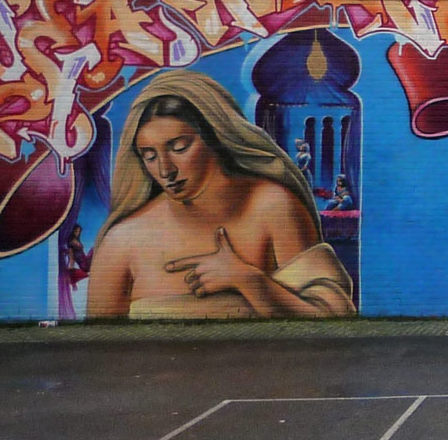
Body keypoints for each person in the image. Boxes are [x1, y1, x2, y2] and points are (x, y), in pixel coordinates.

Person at [85, 70, 356, 320]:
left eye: (179, 147)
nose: (165, 170)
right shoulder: (121, 242)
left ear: (214, 137)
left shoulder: (274, 208)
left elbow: (332, 319)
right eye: (150, 155)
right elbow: (99, 347)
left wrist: (248, 280)